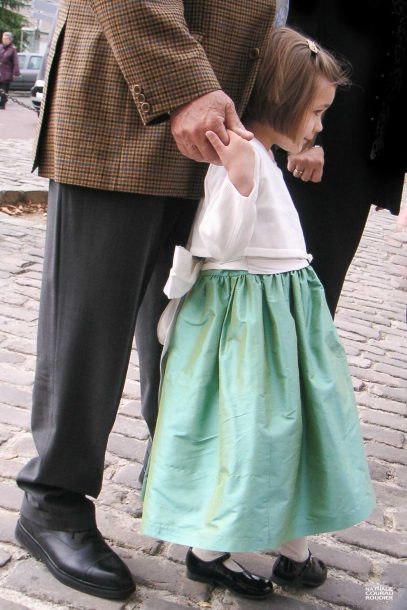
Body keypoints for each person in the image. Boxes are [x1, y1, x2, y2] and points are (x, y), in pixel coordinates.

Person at [14, 0, 280, 601]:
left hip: (212, 123)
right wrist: (184, 85)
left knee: (187, 328)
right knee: (90, 325)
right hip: (125, 105)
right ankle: (52, 502)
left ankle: (171, 476)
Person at [141, 27, 375, 600]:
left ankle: (294, 553)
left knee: (295, 429)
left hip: (284, 318)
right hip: (252, 326)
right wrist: (242, 185)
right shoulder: (241, 156)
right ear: (283, 100)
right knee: (258, 434)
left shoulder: (263, 155)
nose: (320, 126)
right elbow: (217, 245)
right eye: (315, 112)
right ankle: (207, 554)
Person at [274, 0, 407, 316]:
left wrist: (385, 167)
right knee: (292, 286)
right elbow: (300, 36)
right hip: (318, 144)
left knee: (321, 290)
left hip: (358, 153)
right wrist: (305, 138)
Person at [0, 32, 20, 108]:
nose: (4, 40)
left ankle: (2, 104)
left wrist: (15, 73)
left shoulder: (12, 50)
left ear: (10, 40)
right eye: (3, 38)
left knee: (4, 90)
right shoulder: (0, 47)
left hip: (6, 74)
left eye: (6, 39)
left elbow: (15, 62)